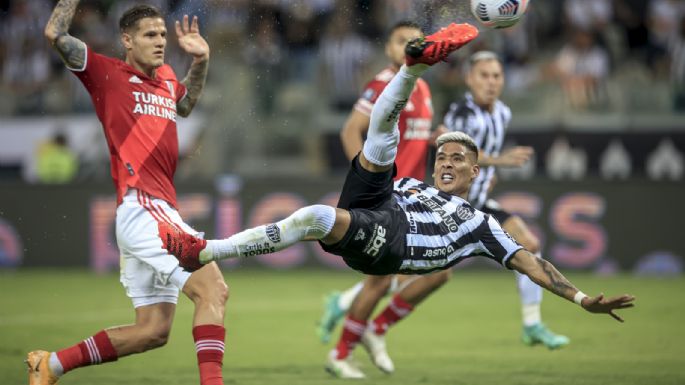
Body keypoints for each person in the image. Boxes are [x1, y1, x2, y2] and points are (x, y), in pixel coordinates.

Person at [159, 23, 635, 379]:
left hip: (396, 244)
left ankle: (205, 250)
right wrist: (370, 163)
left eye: (458, 159)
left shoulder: (479, 224)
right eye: (442, 156)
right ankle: (413, 66)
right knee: (382, 140)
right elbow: (373, 142)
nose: (446, 162)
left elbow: (531, 261)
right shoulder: (418, 185)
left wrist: (579, 298)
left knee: (316, 216)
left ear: (475, 170)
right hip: (385, 203)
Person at [26, 3, 228, 385]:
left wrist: (200, 62)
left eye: (163, 35)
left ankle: (50, 365)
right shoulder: (105, 73)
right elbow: (55, 34)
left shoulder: (168, 77)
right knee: (213, 289)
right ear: (127, 40)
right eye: (150, 35)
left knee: (153, 331)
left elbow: (185, 105)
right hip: (143, 207)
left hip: (156, 210)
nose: (160, 42)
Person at [440, 51, 569, 349]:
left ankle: (533, 325)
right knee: (415, 273)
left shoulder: (503, 113)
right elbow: (457, 155)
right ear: (469, 79)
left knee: (530, 245)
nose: (491, 82)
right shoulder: (462, 112)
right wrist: (500, 161)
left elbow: (482, 161)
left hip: (480, 203)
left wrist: (489, 175)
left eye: (496, 76)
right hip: (448, 207)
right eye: (484, 75)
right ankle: (348, 303)